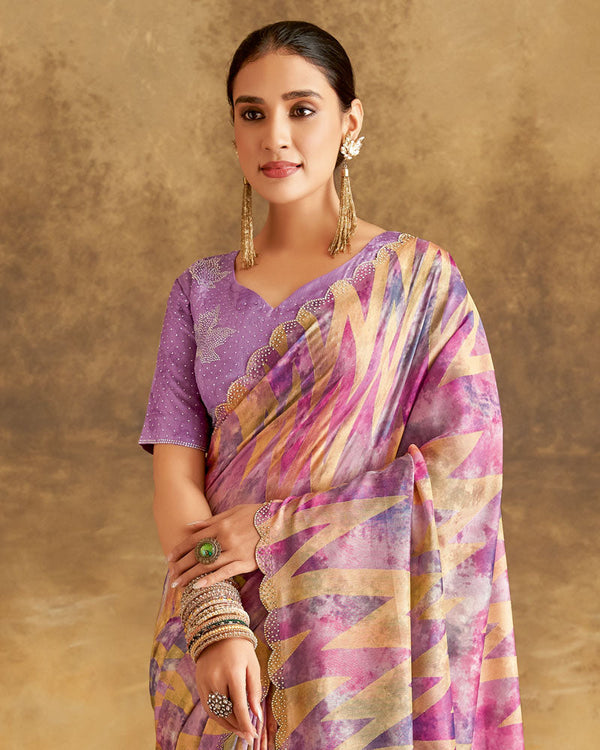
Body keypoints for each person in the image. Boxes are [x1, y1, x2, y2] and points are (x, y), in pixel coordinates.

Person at [138, 20, 524, 750]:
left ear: (350, 123)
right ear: (232, 131)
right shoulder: (197, 294)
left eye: (302, 109)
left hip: (359, 650)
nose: (275, 137)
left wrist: (275, 529)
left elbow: (465, 477)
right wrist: (216, 622)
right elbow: (175, 479)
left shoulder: (419, 281)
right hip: (216, 640)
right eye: (253, 113)